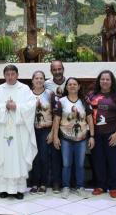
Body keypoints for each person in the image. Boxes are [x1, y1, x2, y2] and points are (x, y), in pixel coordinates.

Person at [0, 65, 37, 200]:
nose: (10, 77)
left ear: (17, 75)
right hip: (2, 128)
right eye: (8, 74)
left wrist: (16, 107)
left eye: (13, 74)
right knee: (2, 157)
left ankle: (19, 189)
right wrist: (5, 106)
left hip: (19, 130)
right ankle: (3, 189)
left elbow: (31, 106)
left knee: (19, 157)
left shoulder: (25, 89)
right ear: (4, 75)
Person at [86, 70, 116, 198]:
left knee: (113, 161)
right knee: (98, 160)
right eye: (102, 79)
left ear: (111, 81)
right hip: (95, 134)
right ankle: (100, 186)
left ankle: (114, 187)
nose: (104, 81)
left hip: (112, 133)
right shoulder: (91, 95)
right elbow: (87, 114)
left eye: (107, 79)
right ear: (99, 81)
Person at [53, 77, 95, 199]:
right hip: (66, 138)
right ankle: (65, 187)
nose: (72, 86)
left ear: (79, 86)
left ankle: (80, 187)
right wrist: (55, 137)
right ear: (66, 87)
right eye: (69, 84)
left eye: (74, 84)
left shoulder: (84, 101)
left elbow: (90, 120)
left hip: (81, 138)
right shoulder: (61, 101)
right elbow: (56, 120)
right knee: (66, 164)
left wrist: (92, 136)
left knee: (80, 164)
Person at [29, 70, 56, 195]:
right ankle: (34, 183)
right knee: (34, 157)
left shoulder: (50, 94)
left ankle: (44, 183)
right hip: (31, 130)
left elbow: (56, 114)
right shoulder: (27, 94)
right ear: (32, 80)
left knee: (44, 157)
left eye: (41, 78)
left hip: (46, 129)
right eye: (36, 78)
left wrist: (52, 132)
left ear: (44, 80)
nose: (39, 80)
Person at [44, 60, 65, 193]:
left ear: (63, 69)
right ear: (51, 71)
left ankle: (64, 182)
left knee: (63, 155)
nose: (57, 72)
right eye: (54, 69)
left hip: (67, 123)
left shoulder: (70, 82)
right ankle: (52, 181)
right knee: (52, 154)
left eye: (59, 69)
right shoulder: (46, 84)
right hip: (51, 123)